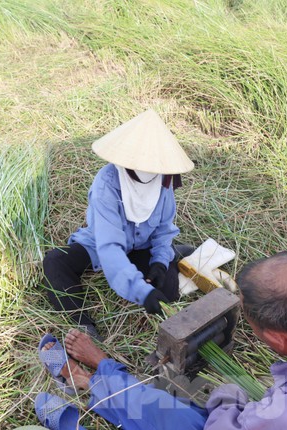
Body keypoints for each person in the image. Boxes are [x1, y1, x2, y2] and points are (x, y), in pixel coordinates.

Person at [35, 251, 287, 429]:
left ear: (275, 338)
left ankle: (96, 379)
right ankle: (96, 386)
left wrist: (229, 395)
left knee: (175, 419)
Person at [42, 109, 194, 338]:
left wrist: (160, 262)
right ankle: (83, 324)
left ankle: (170, 255)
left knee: (169, 289)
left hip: (142, 245)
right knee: (55, 263)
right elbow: (110, 247)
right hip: (100, 243)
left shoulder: (164, 179)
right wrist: (141, 291)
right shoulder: (107, 184)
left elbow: (163, 229)